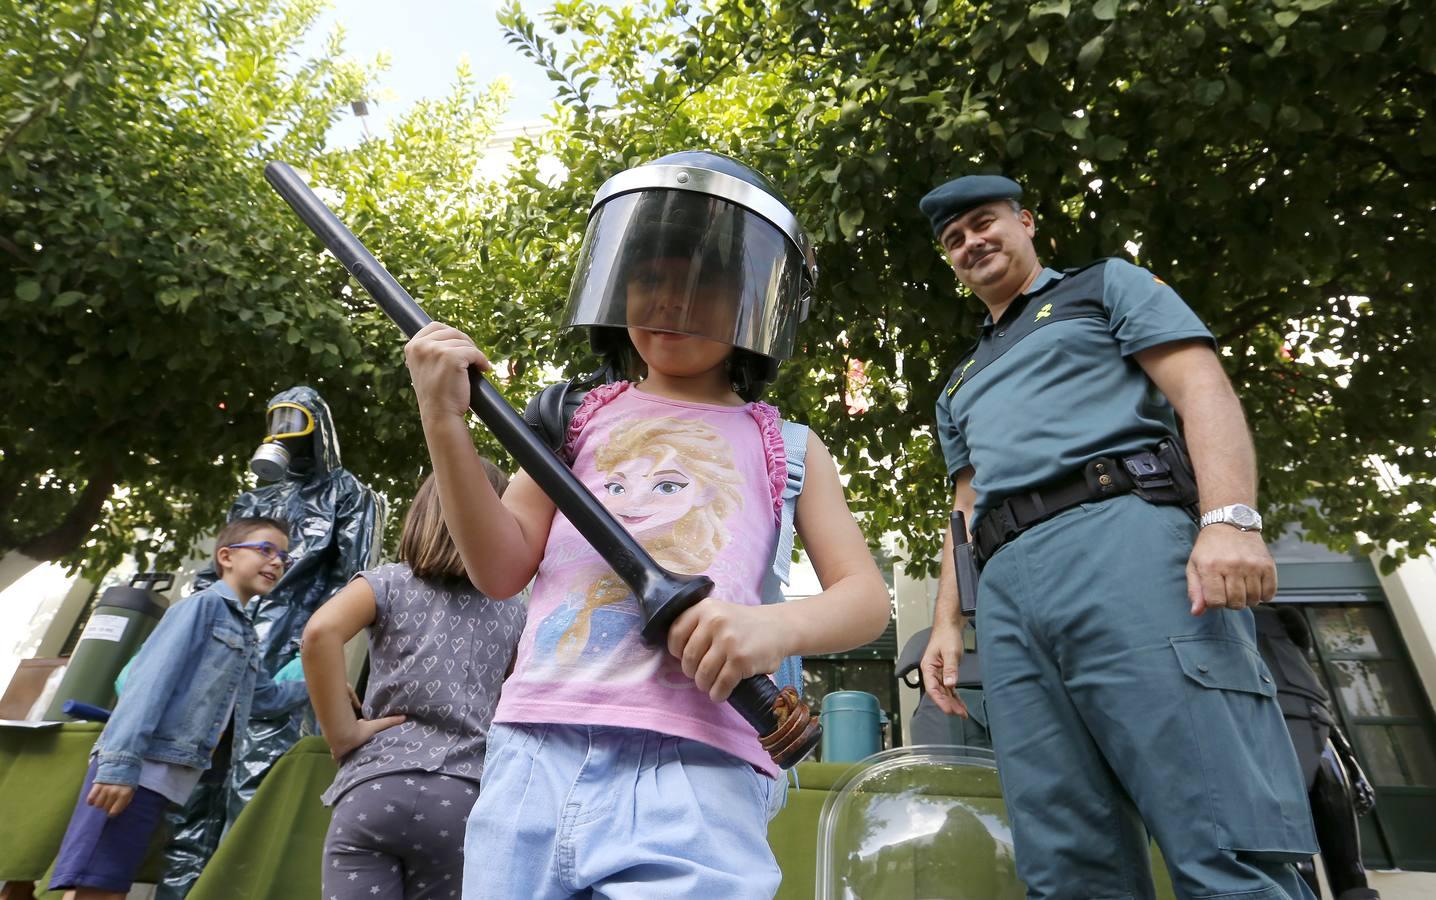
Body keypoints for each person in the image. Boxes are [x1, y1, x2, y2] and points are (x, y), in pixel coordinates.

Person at [403, 150, 890, 898]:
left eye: (705, 280)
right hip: (535, 754)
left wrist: (770, 630)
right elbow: (498, 569)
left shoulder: (790, 447)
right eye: (650, 277)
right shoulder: (569, 421)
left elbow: (865, 600)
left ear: (758, 300)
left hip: (702, 774)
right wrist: (444, 420)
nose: (671, 300)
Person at [916, 174, 1318, 900]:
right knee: (1065, 859)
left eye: (984, 222)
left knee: (1219, 828)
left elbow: (1201, 386)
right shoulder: (958, 381)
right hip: (1007, 595)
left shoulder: (1105, 286)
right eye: (954, 240)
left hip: (1124, 543)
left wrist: (1230, 520)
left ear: (1026, 221)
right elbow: (965, 502)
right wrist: (946, 621)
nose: (972, 242)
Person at [165, 386, 384, 899]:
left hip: (288, 650)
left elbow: (354, 579)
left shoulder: (346, 492)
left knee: (257, 786)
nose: (285, 434)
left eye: (297, 422)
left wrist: (314, 658)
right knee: (194, 786)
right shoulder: (254, 497)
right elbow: (213, 573)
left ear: (319, 428)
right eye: (278, 420)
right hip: (223, 650)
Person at [49, 517, 310, 900]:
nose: (277, 562)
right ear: (226, 556)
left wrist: (321, 684)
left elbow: (264, 698)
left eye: (283, 557)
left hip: (164, 781)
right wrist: (120, 766)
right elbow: (148, 684)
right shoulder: (201, 609)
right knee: (99, 888)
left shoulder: (243, 630)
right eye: (265, 550)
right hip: (138, 770)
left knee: (107, 885)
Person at [301, 465, 524, 900]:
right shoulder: (516, 612)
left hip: (375, 787)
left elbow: (318, 634)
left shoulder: (386, 583)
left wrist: (342, 732)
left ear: (422, 513)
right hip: (464, 801)